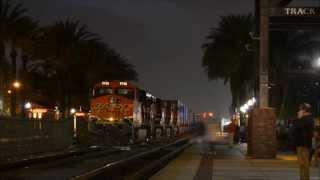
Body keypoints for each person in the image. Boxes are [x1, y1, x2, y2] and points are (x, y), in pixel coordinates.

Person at [293, 103, 314, 180]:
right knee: (301, 164)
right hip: (301, 144)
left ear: (304, 110)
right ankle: (302, 178)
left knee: (304, 164)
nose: (299, 111)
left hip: (304, 144)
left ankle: (305, 178)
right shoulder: (304, 118)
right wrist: (298, 118)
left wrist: (299, 118)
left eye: (301, 109)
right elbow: (295, 126)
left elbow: (298, 126)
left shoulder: (308, 119)